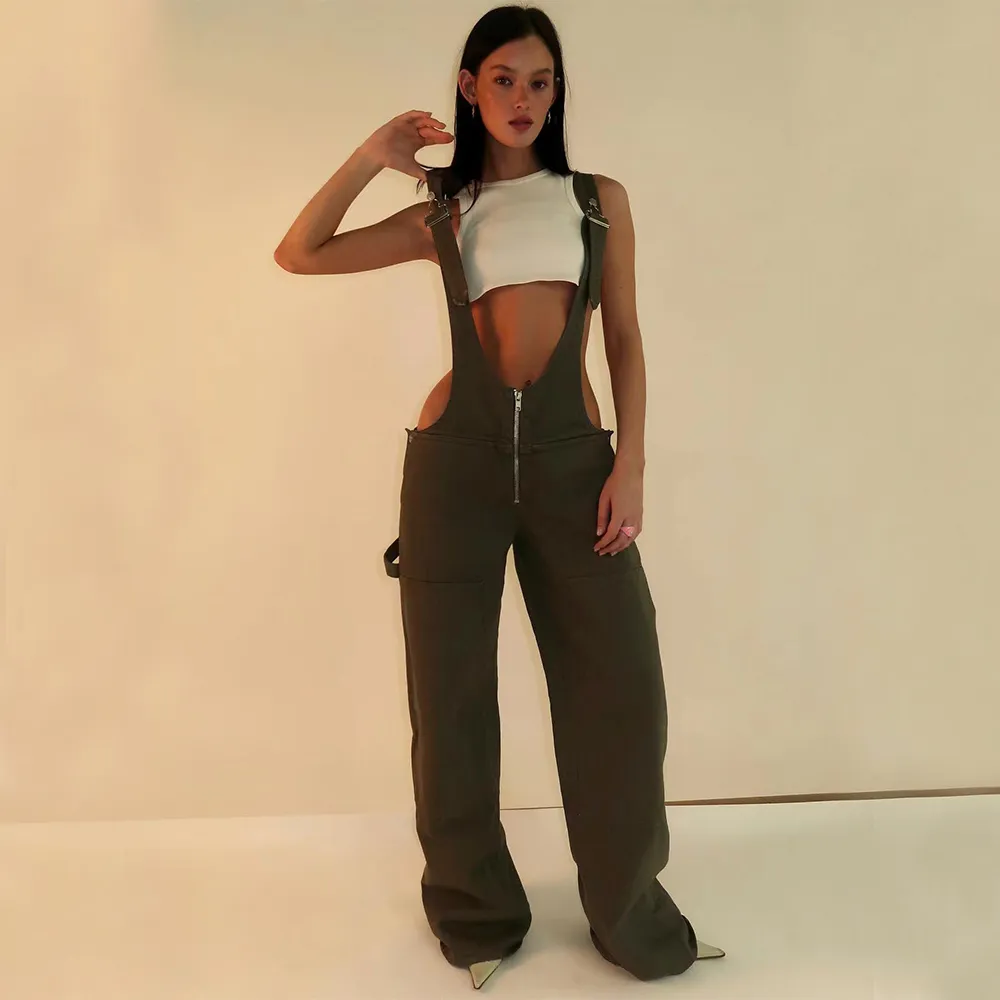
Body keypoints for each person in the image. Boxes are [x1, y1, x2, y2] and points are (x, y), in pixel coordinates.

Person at [274, 4, 725, 990]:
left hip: (575, 467)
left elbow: (625, 338)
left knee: (620, 692)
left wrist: (631, 462)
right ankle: (476, 918)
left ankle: (630, 917)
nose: (524, 98)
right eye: (504, 79)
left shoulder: (596, 202)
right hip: (455, 468)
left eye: (541, 81)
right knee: (452, 703)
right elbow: (299, 252)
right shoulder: (445, 210)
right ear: (469, 87)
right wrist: (371, 157)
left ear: (557, 93)